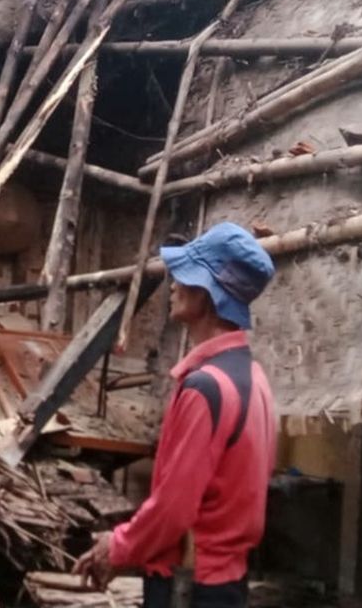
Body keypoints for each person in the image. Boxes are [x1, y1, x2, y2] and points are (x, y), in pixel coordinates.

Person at [74, 222, 277, 608]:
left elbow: (174, 508)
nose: (172, 285)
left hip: (190, 586)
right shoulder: (253, 377)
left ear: (206, 295)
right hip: (227, 582)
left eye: (184, 276)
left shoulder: (206, 387)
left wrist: (117, 546)